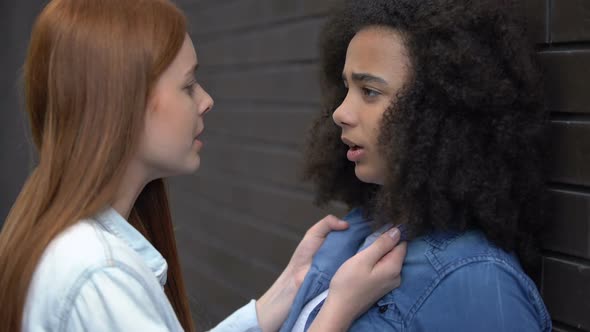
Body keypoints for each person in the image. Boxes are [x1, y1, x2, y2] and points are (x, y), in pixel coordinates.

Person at [0, 0, 408, 331]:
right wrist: (337, 311)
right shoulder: (98, 275)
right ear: (122, 101)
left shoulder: (80, 250)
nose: (205, 100)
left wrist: (289, 287)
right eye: (187, 84)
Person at [280, 0, 552, 331]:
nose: (340, 112)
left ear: (439, 111)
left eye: (369, 91)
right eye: (347, 87)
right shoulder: (357, 233)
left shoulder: (474, 281)